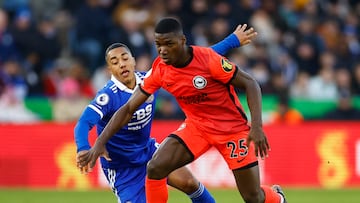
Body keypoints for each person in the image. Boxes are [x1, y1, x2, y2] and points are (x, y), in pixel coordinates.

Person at [74, 22, 258, 203]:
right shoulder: (107, 96)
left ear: (133, 60)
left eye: (124, 58)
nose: (121, 64)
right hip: (122, 167)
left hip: (146, 150)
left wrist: (232, 40)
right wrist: (87, 146)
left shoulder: (150, 76)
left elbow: (199, 58)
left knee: (189, 182)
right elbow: (84, 122)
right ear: (110, 69)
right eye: (115, 62)